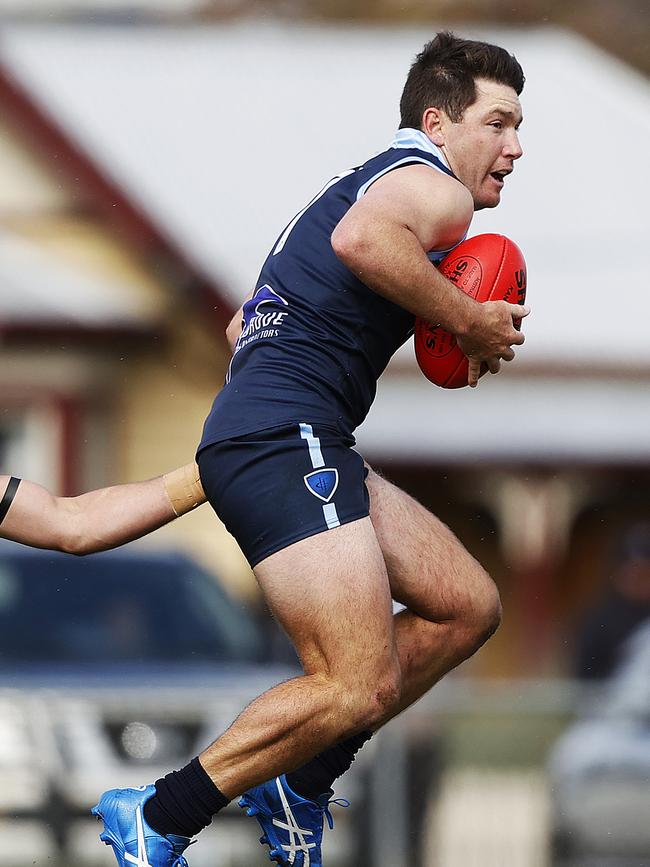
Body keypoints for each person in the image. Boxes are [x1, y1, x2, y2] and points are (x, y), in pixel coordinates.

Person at [5, 31, 528, 867]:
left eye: (518, 126)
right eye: (498, 122)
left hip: (283, 430)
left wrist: (434, 321)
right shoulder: (433, 192)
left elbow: (242, 322)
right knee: (355, 681)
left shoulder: (364, 185)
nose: (515, 146)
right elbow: (363, 245)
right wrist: (465, 317)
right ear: (438, 122)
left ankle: (302, 777)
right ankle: (161, 810)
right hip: (287, 431)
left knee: (466, 604)